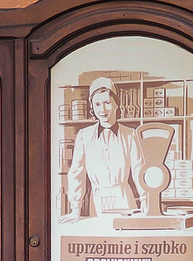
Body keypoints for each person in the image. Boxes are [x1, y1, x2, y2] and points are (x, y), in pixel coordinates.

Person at [61, 77, 145, 222]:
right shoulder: (84, 136)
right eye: (97, 104)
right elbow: (76, 173)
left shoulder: (130, 134)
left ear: (116, 104)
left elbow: (140, 171)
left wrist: (146, 204)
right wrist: (75, 210)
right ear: (92, 107)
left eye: (107, 103)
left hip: (124, 200)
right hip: (97, 204)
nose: (102, 110)